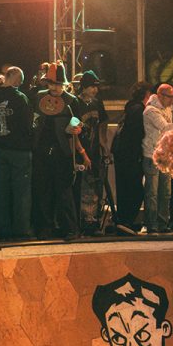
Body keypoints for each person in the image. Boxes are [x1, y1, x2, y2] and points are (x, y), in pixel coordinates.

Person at [32, 62, 87, 240]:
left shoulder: (71, 101)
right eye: (52, 84)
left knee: (64, 190)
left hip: (62, 150)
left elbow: (79, 122)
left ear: (63, 84)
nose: (55, 88)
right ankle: (45, 228)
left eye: (58, 84)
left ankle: (70, 228)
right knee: (43, 189)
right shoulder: (38, 97)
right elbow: (32, 120)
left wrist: (75, 127)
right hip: (41, 149)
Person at [0, 66, 33, 240]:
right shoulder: (20, 98)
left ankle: (3, 230)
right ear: (15, 78)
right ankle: (21, 230)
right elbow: (28, 124)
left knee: (1, 192)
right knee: (21, 192)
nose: (20, 83)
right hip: (19, 150)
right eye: (20, 80)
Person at [113, 81, 152, 234]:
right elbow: (136, 134)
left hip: (122, 153)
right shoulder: (139, 110)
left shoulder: (130, 107)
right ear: (146, 94)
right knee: (135, 190)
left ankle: (124, 220)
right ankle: (127, 220)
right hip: (131, 154)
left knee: (125, 188)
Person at [75, 71, 110, 235]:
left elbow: (103, 123)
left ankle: (94, 219)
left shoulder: (97, 103)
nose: (95, 90)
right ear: (84, 87)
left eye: (96, 87)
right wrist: (82, 153)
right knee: (82, 185)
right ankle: (82, 220)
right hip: (81, 152)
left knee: (96, 184)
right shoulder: (75, 103)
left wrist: (104, 144)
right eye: (92, 87)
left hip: (95, 151)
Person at [141, 84, 173, 234]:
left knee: (165, 192)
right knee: (152, 193)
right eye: (170, 97)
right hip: (152, 156)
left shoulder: (167, 108)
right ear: (160, 95)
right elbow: (166, 128)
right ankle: (152, 225)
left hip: (165, 155)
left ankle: (162, 223)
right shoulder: (151, 110)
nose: (172, 100)